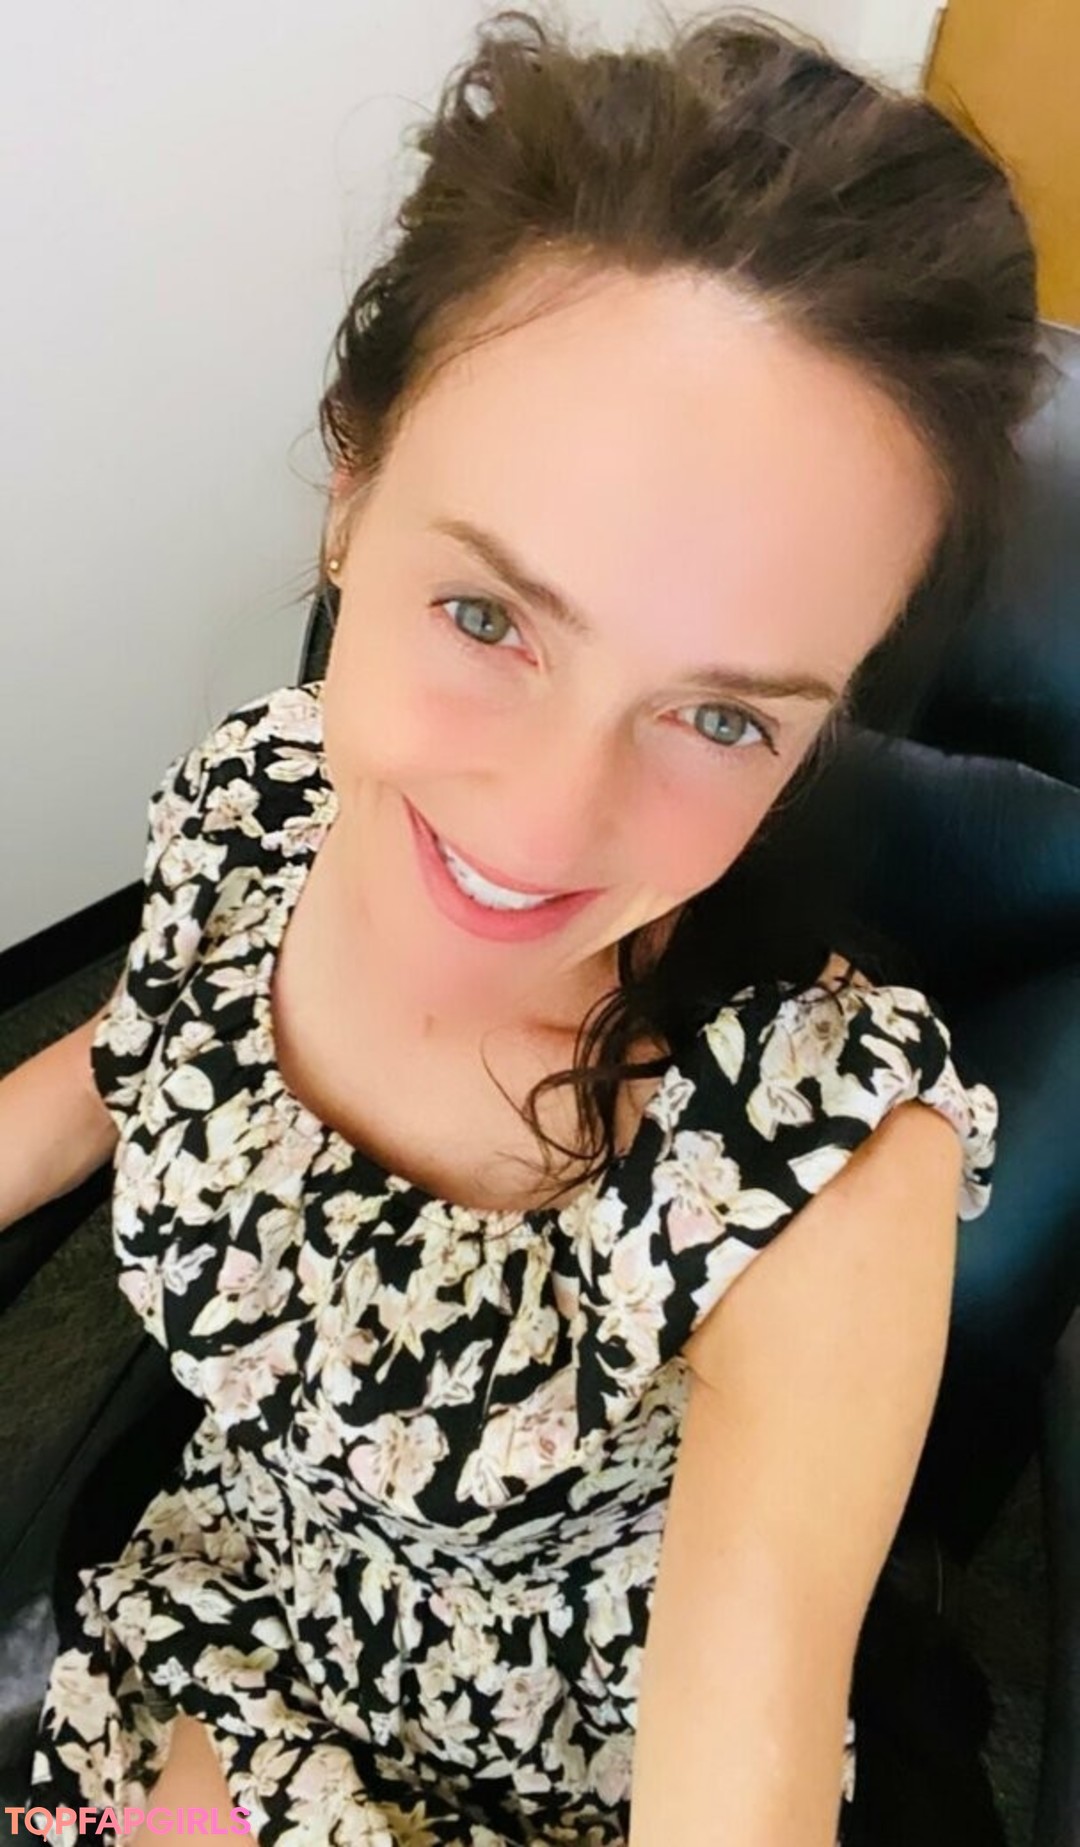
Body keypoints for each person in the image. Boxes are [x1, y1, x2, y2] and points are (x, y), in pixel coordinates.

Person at [18, 7, 1049, 1844]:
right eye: (490, 618)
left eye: (723, 715)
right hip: (217, 1616)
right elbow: (128, 1056)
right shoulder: (269, 794)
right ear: (351, 495)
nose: (544, 828)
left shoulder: (814, 1176)